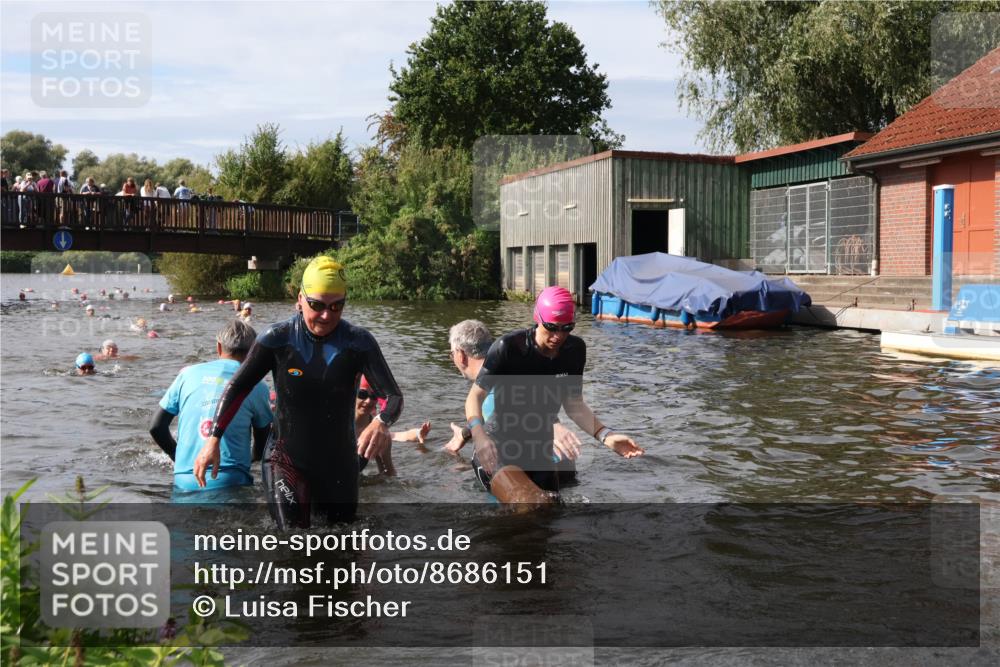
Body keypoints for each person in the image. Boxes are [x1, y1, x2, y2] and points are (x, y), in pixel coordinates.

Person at [193, 256, 403, 528]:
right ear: (300, 298)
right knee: (291, 543)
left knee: (342, 545)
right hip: (286, 459)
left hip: (338, 463)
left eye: (336, 306)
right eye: (317, 305)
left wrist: (381, 422)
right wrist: (213, 440)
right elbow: (238, 386)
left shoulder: (358, 342)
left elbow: (393, 396)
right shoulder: (277, 339)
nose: (327, 315)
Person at [464, 287, 644, 504]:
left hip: (538, 452)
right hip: (497, 448)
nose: (559, 336)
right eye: (551, 327)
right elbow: (475, 397)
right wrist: (480, 437)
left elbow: (574, 405)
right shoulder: (509, 348)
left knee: (551, 513)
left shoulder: (574, 350)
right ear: (537, 318)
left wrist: (606, 435)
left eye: (567, 328)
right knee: (530, 505)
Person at [445, 320, 581, 480]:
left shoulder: (488, 394)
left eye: (451, 354)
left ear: (460, 355)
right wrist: (465, 433)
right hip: (564, 465)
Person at [149, 320, 272, 492]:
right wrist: (252, 459)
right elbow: (263, 441)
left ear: (219, 347)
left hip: (185, 479)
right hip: (231, 480)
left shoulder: (187, 374)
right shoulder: (257, 386)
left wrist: (178, 456)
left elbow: (156, 427)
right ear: (253, 351)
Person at [354, 375, 431, 476]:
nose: (368, 401)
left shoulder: (380, 433)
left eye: (373, 396)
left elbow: (388, 475)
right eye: (362, 394)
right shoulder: (336, 423)